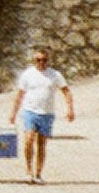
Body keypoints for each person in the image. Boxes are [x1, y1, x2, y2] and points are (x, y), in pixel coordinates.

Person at [11, 48, 75, 184]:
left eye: (44, 60)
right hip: (30, 111)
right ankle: (28, 171)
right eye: (38, 60)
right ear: (34, 60)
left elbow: (66, 91)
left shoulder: (55, 75)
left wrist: (70, 109)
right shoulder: (27, 74)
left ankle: (38, 173)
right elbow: (20, 94)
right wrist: (13, 113)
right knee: (28, 140)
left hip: (47, 113)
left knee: (41, 144)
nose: (41, 62)